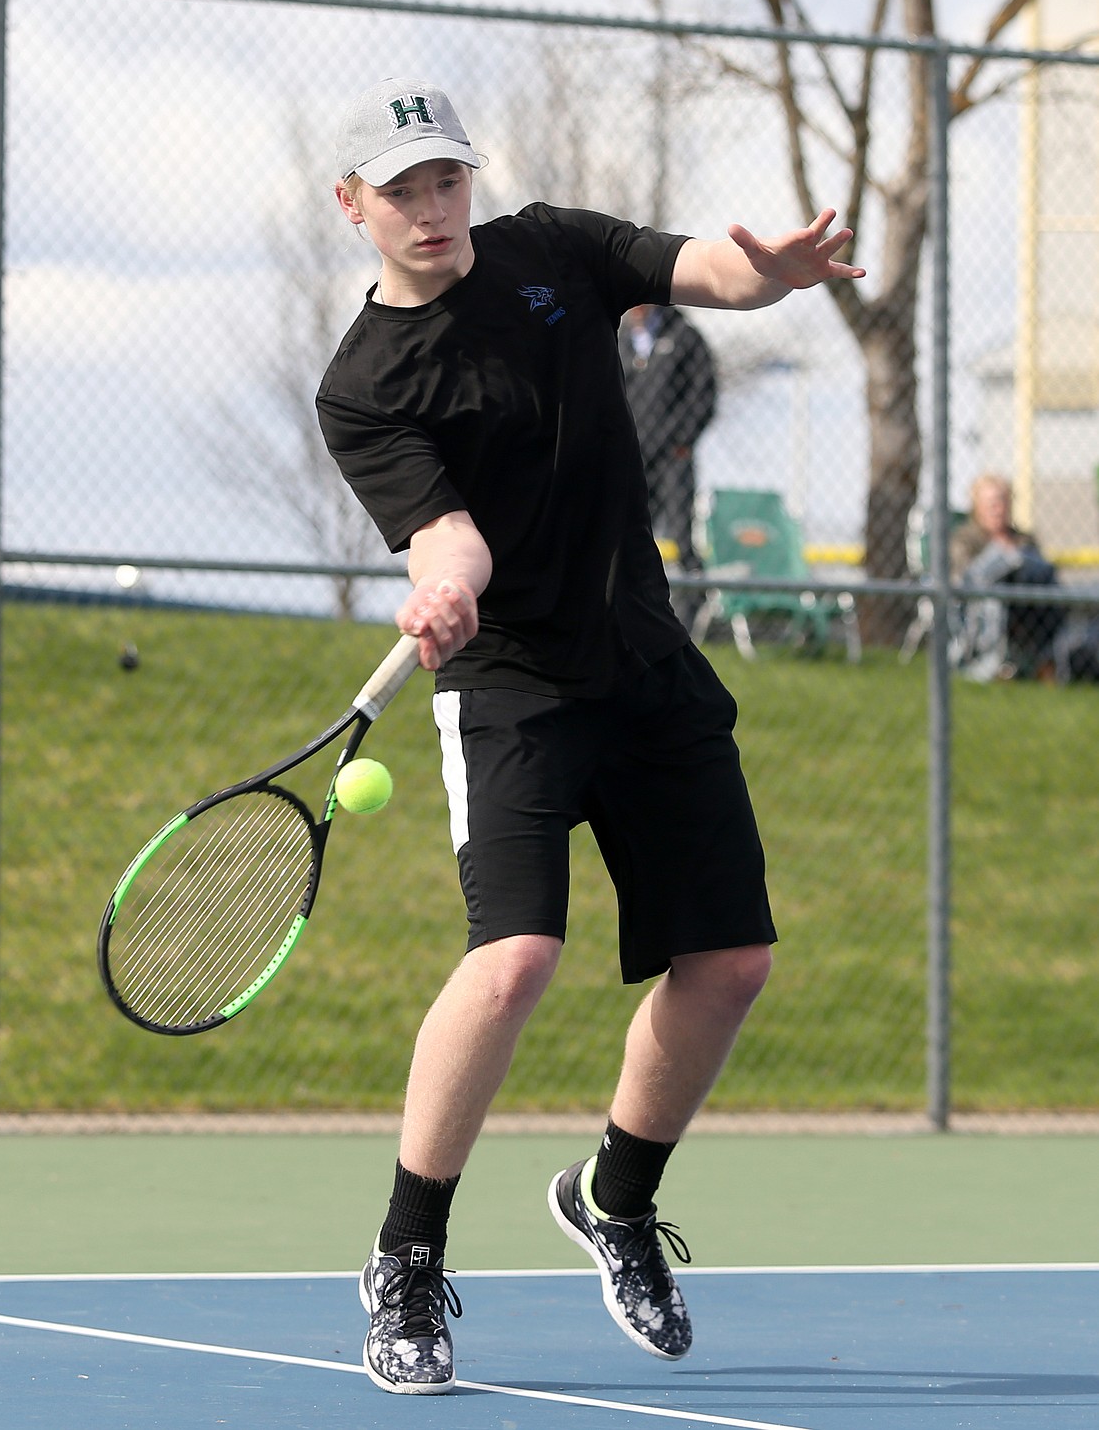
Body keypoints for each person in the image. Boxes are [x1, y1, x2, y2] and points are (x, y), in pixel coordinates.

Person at [316, 76, 864, 1396]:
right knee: (512, 960)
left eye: (446, 179)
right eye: (402, 190)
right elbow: (443, 529)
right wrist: (443, 569)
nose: (434, 207)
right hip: (510, 685)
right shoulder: (364, 387)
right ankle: (406, 1250)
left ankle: (613, 1199)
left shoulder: (551, 246)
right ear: (354, 208)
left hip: (645, 658)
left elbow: (697, 273)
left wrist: (769, 273)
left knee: (729, 962)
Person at [618, 304, 718, 630]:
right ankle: (629, 609)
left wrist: (681, 441)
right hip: (633, 458)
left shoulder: (684, 337)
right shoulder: (620, 339)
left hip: (673, 459)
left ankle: (691, 612)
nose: (635, 307)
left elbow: (704, 394)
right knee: (630, 533)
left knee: (680, 535)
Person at [950, 474, 1062, 681]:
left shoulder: (1023, 538)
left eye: (1003, 501)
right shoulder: (966, 539)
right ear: (977, 506)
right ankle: (995, 665)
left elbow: (1043, 571)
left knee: (1053, 596)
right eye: (992, 503)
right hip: (981, 608)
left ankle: (1047, 662)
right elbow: (965, 578)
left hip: (1028, 604)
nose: (998, 508)